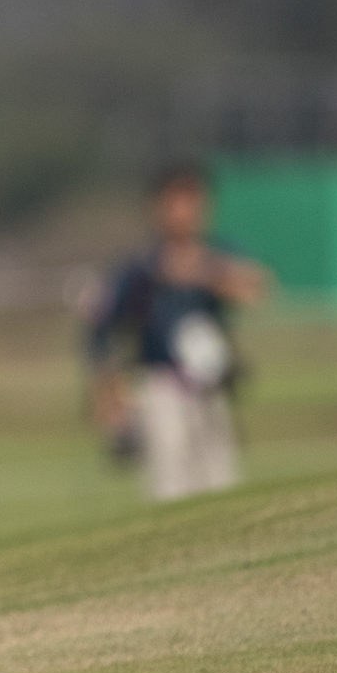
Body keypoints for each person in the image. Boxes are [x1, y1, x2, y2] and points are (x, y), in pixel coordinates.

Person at [84, 161, 271, 502]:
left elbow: (256, 288)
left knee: (221, 483)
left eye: (193, 202)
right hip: (161, 387)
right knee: (170, 488)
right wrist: (110, 400)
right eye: (176, 203)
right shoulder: (140, 268)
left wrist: (203, 272)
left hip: (211, 386)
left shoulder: (217, 255)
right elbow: (101, 329)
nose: (185, 213)